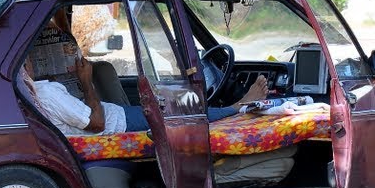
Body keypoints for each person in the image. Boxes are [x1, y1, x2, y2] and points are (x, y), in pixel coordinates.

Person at [23, 58, 268, 137]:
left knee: (181, 99)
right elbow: (96, 123)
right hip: (117, 125)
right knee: (186, 112)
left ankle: (217, 107)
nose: (32, 62)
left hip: (118, 115)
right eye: (27, 60)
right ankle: (238, 107)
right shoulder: (45, 94)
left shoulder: (35, 91)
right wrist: (86, 82)